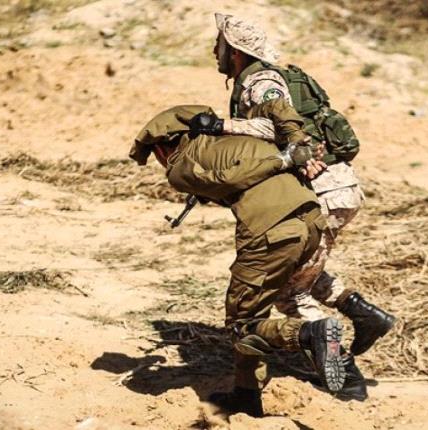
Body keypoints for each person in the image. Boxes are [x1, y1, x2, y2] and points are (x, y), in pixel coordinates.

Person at [187, 12, 395, 361]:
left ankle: (342, 370)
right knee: (297, 272)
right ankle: (364, 314)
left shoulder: (263, 83)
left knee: (287, 292)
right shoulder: (251, 82)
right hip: (328, 191)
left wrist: (221, 126)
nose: (214, 50)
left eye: (219, 44)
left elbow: (280, 127)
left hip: (324, 193)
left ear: (234, 51)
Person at [130, 101, 353, 417]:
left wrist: (283, 158)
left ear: (164, 146)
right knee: (250, 308)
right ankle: (247, 394)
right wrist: (294, 142)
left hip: (271, 230)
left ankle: (307, 334)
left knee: (241, 325)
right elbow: (277, 106)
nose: (160, 162)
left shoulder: (180, 166)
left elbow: (228, 178)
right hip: (312, 222)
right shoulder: (244, 136)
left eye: (156, 155)